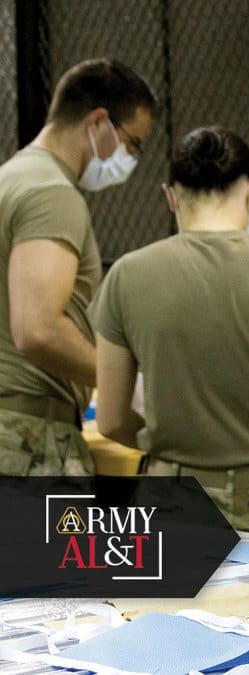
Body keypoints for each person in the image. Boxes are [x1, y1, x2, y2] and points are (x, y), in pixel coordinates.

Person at [90, 126, 249, 536]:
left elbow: (109, 419)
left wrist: (171, 448)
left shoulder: (127, 274)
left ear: (170, 195)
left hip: (171, 502)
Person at [0, 58, 155, 476]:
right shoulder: (50, 194)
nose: (130, 158)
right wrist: (124, 379)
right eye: (132, 143)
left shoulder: (10, 179)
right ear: (99, 122)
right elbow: (37, 329)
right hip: (27, 437)